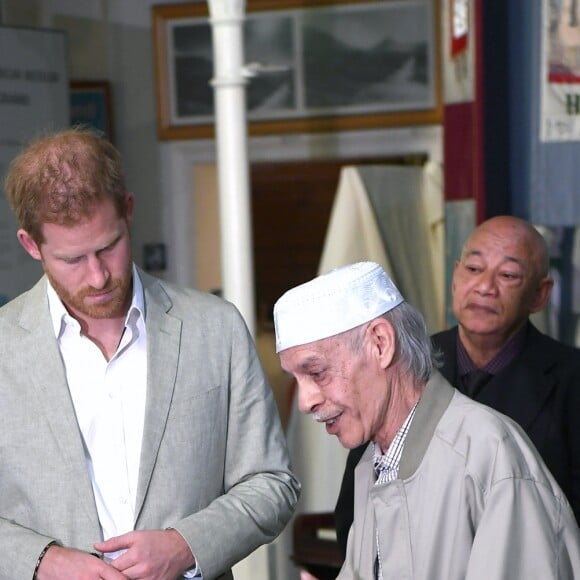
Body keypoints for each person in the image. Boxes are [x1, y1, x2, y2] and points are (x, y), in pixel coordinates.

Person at [0, 128, 300, 580]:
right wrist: (41, 561)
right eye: (72, 259)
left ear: (129, 211)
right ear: (30, 245)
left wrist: (185, 546)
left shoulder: (215, 329)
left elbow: (273, 484)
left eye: (108, 247)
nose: (98, 276)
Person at [274, 261, 580, 579]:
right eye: (297, 379)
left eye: (317, 372)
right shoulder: (372, 463)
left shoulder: (489, 454)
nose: (306, 402)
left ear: (380, 343)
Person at [334, 216, 580, 556]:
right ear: (455, 277)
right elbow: (355, 511)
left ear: (539, 294)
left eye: (507, 275)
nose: (485, 287)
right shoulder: (397, 367)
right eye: (474, 268)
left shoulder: (571, 378)